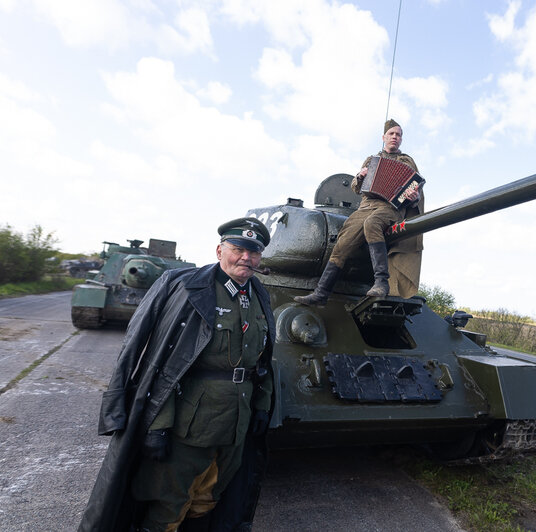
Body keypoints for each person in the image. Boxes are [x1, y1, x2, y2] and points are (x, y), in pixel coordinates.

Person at [79, 217, 276, 532]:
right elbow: (163, 362)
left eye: (254, 253)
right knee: (168, 501)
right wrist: (157, 425)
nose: (246, 258)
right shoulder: (185, 286)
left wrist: (263, 407)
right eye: (237, 249)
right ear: (219, 250)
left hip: (237, 420)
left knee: (208, 498)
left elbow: (263, 359)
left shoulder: (258, 295)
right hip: (189, 421)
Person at [294, 118, 424, 305]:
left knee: (372, 224)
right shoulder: (372, 160)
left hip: (390, 207)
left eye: (398, 135)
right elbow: (356, 188)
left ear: (401, 140)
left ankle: (381, 282)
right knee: (343, 241)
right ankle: (321, 293)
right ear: (383, 137)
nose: (395, 137)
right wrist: (360, 176)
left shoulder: (407, 162)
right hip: (366, 205)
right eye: (391, 134)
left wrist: (414, 197)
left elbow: (416, 190)